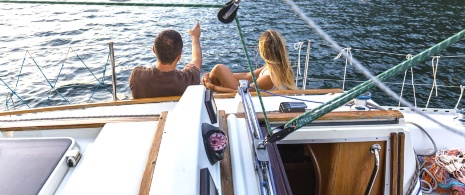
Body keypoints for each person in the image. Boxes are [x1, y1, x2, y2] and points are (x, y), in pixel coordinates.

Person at [202, 30, 296, 93]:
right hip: (252, 98)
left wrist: (212, 87)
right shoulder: (274, 67)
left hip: (251, 101)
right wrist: (220, 75)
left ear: (263, 51)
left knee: (219, 68)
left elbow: (242, 92)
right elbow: (247, 76)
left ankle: (210, 92)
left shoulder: (270, 77)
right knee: (218, 70)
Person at [129, 21, 202, 98]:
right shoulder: (189, 80)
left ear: (154, 50)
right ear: (179, 56)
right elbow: (197, 59)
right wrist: (195, 37)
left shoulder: (137, 75)